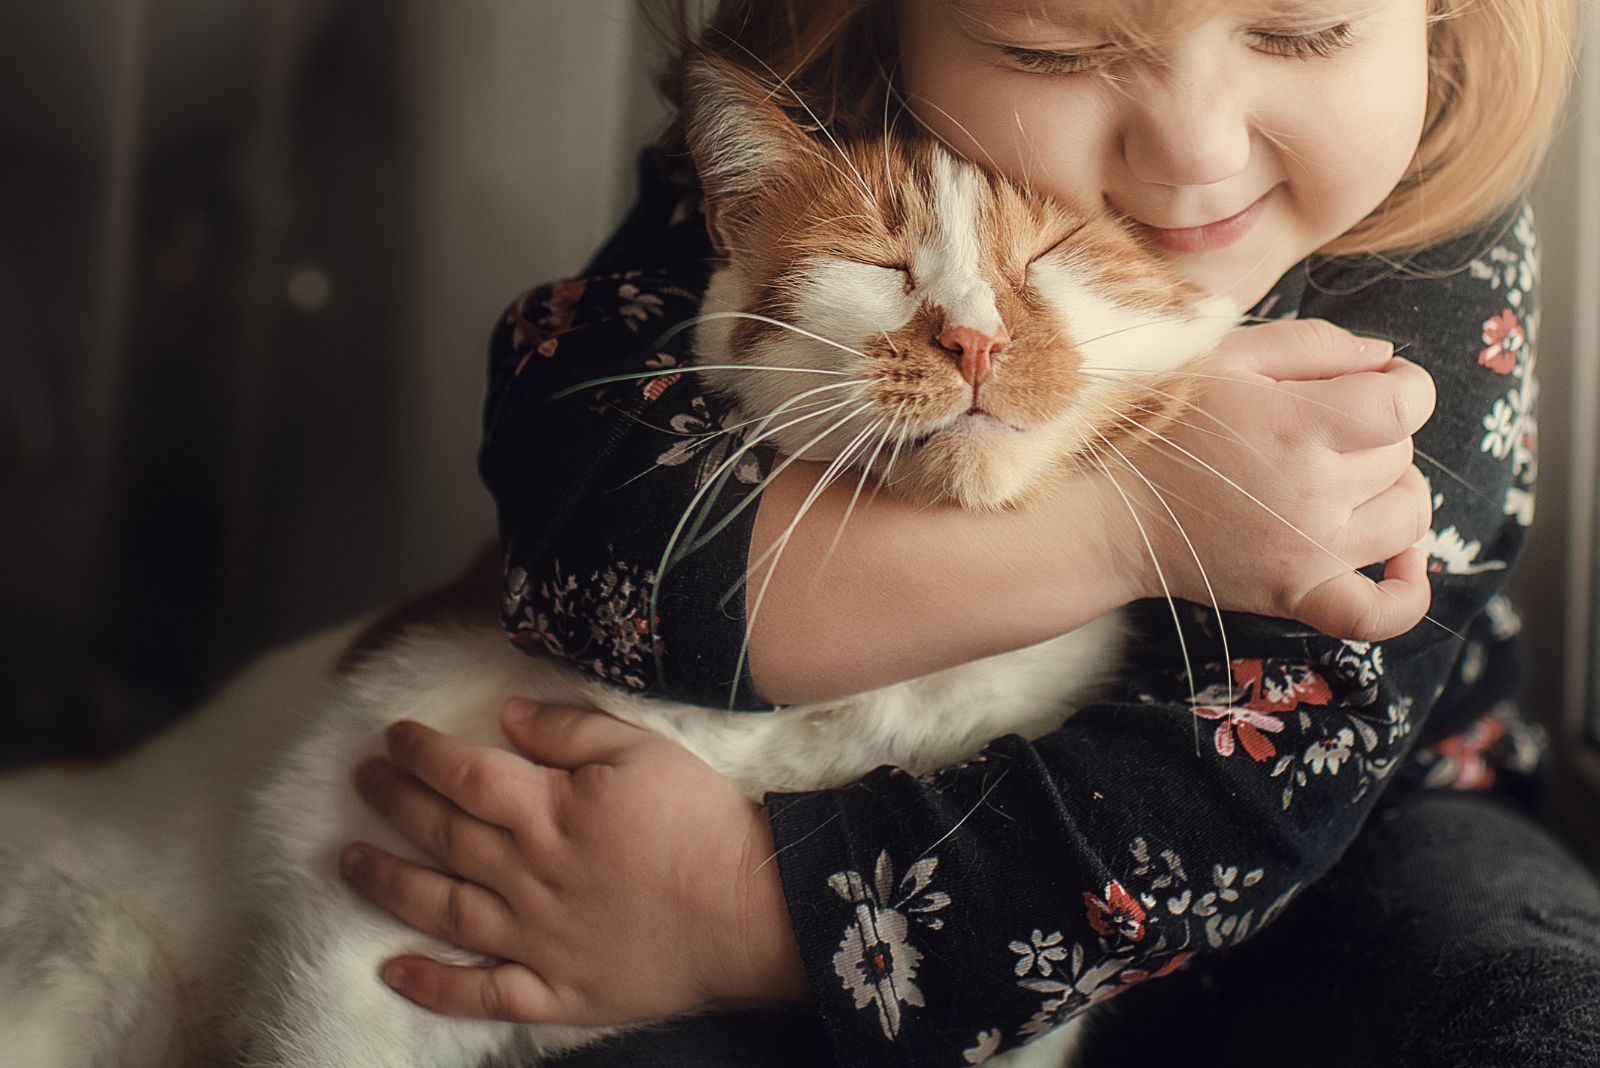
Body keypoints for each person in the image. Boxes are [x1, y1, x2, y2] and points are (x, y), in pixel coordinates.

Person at [334, 1, 1600, 1064]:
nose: (1193, 152)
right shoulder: (820, 144)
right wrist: (1114, 533)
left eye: (1302, 30)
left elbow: (1269, 777)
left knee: (1525, 1011)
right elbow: (582, 541)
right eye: (1052, 49)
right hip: (854, 830)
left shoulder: (1434, 253)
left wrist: (743, 912)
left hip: (1367, 842)